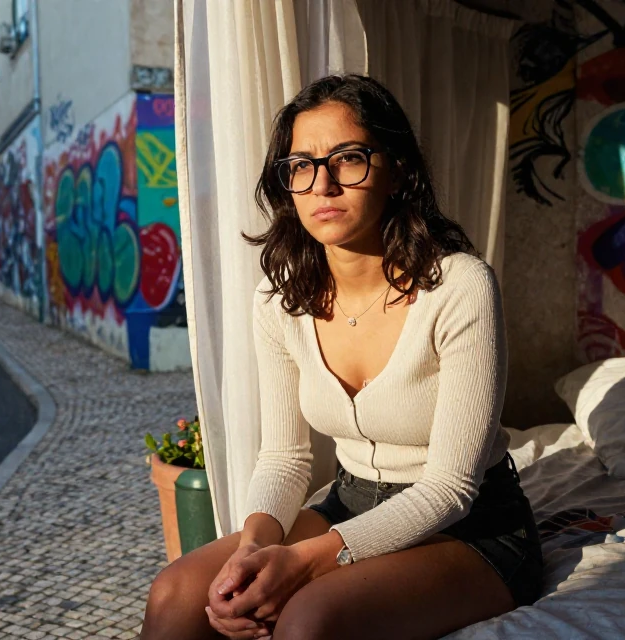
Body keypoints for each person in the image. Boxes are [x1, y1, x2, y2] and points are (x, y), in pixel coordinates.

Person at [142, 75, 542, 640]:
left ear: (396, 170)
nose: (323, 184)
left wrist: (302, 562)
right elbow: (284, 458)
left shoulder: (459, 286)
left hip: (470, 527)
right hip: (349, 503)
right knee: (176, 592)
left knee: (308, 619)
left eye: (348, 158)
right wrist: (252, 549)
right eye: (301, 166)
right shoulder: (279, 299)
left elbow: (451, 488)